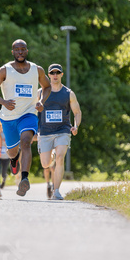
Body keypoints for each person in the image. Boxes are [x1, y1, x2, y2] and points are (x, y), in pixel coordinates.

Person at [0, 39, 51, 197]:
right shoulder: (4, 70)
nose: (20, 52)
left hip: (29, 113)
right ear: (13, 52)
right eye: (17, 50)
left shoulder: (37, 70)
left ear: (27, 51)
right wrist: (3, 102)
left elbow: (47, 86)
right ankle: (14, 159)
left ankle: (24, 179)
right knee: (12, 151)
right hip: (9, 117)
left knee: (26, 141)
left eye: (23, 49)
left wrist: (41, 101)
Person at [37, 63, 82, 200]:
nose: (55, 75)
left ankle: (56, 191)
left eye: (57, 73)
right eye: (52, 73)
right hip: (44, 132)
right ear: (49, 75)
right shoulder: (40, 92)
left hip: (63, 130)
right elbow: (32, 111)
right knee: (45, 164)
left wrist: (75, 126)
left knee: (60, 157)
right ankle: (51, 158)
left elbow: (77, 112)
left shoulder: (68, 93)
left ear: (61, 74)